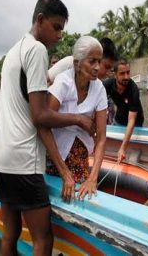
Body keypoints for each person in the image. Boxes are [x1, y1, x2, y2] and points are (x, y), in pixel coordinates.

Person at [0, 0, 94, 255]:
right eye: (56, 27)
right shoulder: (37, 50)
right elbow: (40, 116)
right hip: (23, 161)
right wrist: (78, 119)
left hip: (0, 156)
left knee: (10, 233)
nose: (60, 35)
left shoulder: (15, 51)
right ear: (40, 20)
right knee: (43, 240)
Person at [46, 36, 107, 200]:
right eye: (92, 61)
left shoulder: (99, 88)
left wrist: (92, 179)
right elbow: (45, 122)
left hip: (80, 155)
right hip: (54, 156)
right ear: (76, 64)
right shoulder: (63, 82)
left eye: (99, 62)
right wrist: (77, 119)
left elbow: (101, 138)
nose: (97, 67)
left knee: (81, 195)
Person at [103, 59, 144, 162]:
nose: (126, 77)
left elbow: (131, 121)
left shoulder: (133, 89)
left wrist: (122, 148)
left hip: (135, 123)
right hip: (119, 119)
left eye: (128, 72)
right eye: (122, 73)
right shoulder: (107, 85)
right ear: (115, 74)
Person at [47, 37, 118, 83]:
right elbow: (46, 81)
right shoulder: (70, 63)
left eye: (110, 69)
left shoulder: (97, 85)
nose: (108, 73)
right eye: (106, 67)